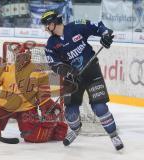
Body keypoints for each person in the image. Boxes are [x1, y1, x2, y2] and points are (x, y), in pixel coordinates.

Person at [40, 10, 124, 150]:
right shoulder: (50, 44)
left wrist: (106, 35)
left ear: (53, 23)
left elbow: (98, 27)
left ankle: (113, 135)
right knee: (71, 113)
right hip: (72, 79)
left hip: (92, 72)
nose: (45, 28)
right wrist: (68, 72)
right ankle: (75, 129)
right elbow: (54, 64)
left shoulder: (76, 27)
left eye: (46, 25)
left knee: (100, 107)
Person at [0, 43, 68, 143]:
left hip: (26, 108)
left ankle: (56, 128)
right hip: (3, 107)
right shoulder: (2, 68)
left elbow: (43, 96)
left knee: (34, 137)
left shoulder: (38, 71)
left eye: (21, 55)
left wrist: (48, 107)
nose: (17, 57)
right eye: (16, 54)